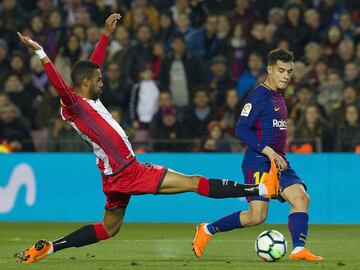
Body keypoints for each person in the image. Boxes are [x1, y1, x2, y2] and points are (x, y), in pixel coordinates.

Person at [16, 13, 280, 264]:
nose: (102, 83)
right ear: (85, 82)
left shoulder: (87, 100)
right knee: (192, 182)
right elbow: (62, 86)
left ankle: (50, 247)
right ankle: (259, 189)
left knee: (109, 228)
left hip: (113, 177)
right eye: (98, 80)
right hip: (128, 171)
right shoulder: (74, 106)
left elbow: (92, 66)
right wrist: (42, 54)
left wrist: (106, 36)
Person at [192, 48, 323, 261]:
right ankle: (207, 229)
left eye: (289, 71)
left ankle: (299, 249)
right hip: (258, 162)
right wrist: (269, 152)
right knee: (256, 216)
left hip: (278, 163)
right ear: (269, 70)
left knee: (301, 198)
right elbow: (241, 129)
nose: (285, 76)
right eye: (281, 70)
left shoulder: (279, 96)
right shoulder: (258, 96)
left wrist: (276, 156)